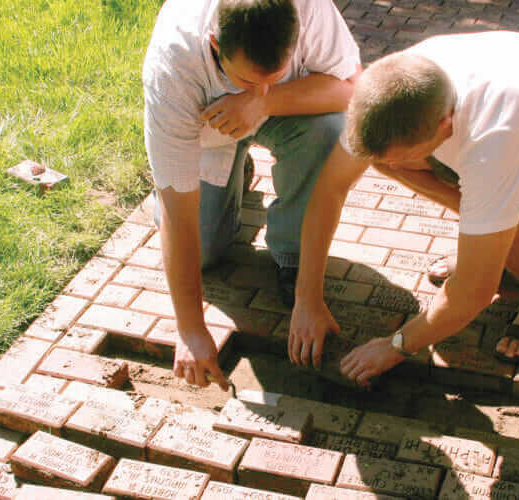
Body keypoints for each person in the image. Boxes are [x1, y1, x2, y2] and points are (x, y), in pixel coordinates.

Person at [288, 31, 519, 386]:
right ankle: (491, 243)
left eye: (407, 152)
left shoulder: (495, 137)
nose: (397, 164)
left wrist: (395, 346)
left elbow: (474, 291)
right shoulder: (389, 92)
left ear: (444, 126)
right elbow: (329, 189)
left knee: (511, 220)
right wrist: (307, 300)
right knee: (387, 162)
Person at [142, 0, 361, 390]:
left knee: (332, 130)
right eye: (247, 80)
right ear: (214, 44)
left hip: (290, 111)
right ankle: (232, 175)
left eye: (274, 74)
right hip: (208, 131)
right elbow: (180, 215)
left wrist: (264, 100)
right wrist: (190, 329)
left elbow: (353, 88)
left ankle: (290, 255)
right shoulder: (173, 64)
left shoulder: (308, 8)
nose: (260, 87)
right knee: (204, 249)